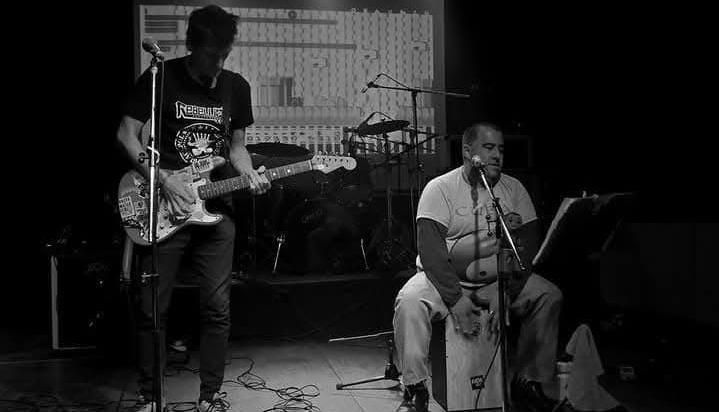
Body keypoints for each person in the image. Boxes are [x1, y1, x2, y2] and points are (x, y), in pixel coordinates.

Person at [116, 5, 270, 412]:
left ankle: (210, 396)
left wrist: (249, 173)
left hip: (216, 208)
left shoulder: (236, 86)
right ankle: (151, 397)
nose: (218, 64)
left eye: (225, 55)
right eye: (211, 55)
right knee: (153, 306)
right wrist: (163, 179)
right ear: (192, 46)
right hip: (164, 204)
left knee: (217, 307)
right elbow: (127, 134)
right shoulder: (160, 77)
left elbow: (237, 148)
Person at [393, 123, 564, 412]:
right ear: (467, 151)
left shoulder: (514, 189)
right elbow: (432, 253)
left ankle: (527, 381)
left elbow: (527, 248)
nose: (497, 155)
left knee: (548, 295)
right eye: (488, 147)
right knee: (409, 302)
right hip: (445, 279)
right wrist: (455, 298)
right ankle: (415, 385)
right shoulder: (440, 188)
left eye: (501, 149)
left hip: (497, 280)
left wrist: (506, 291)